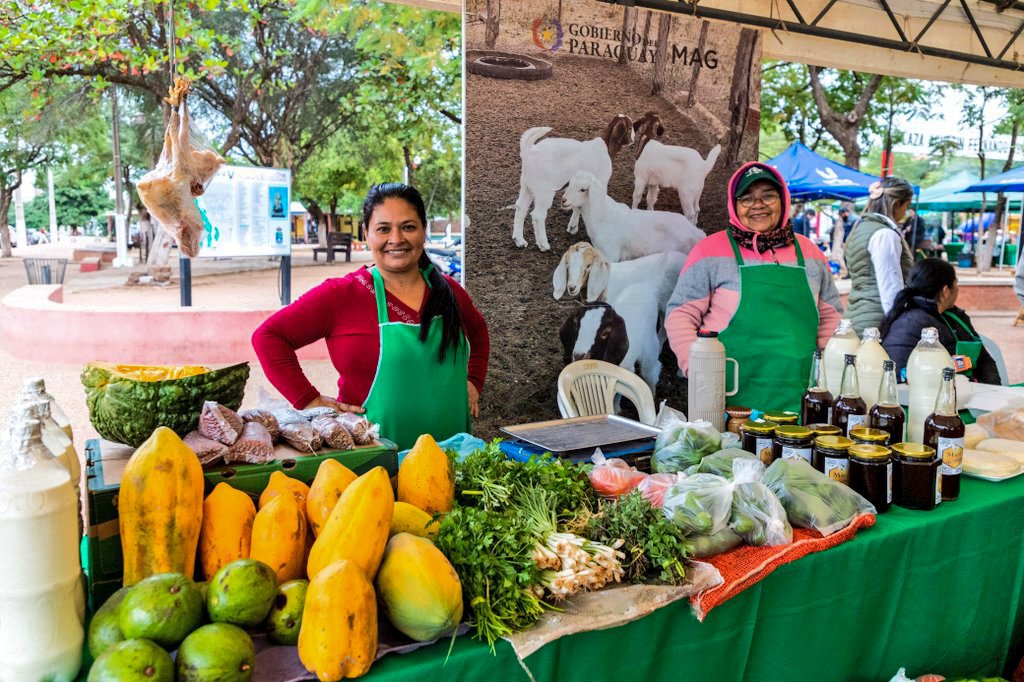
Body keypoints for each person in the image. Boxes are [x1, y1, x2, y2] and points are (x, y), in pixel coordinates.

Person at [253, 183, 490, 449]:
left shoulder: (449, 291)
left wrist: (473, 382)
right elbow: (268, 337)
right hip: (374, 461)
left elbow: (479, 331)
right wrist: (309, 400)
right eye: (383, 228)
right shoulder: (342, 294)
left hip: (453, 450)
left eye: (408, 227)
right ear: (366, 233)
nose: (396, 239)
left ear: (423, 230)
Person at [665, 163, 843, 414]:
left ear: (783, 200)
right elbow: (680, 315)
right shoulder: (709, 251)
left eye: (768, 195)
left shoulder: (811, 253)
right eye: (746, 198)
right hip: (728, 397)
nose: (758, 205)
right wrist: (699, 372)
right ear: (734, 205)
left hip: (801, 394)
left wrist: (828, 375)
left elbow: (831, 320)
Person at [880, 258, 1000, 385]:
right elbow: (900, 381)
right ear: (946, 291)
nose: (958, 288)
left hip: (970, 396)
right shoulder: (907, 326)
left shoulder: (955, 317)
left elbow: (984, 360)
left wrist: (994, 391)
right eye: (956, 283)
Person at [844, 177, 915, 336]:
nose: (905, 212)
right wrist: (901, 329)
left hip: (857, 317)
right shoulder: (885, 234)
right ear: (896, 204)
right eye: (907, 206)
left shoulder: (861, 229)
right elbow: (891, 289)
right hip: (877, 325)